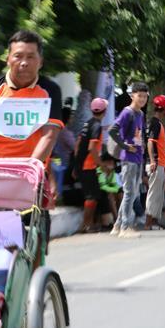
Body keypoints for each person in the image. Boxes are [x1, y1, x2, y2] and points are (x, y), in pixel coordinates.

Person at [0, 30, 63, 162]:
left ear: (41, 62)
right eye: (18, 56)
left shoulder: (51, 91)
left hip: (31, 172)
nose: (24, 62)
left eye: (30, 57)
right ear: (8, 60)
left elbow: (49, 136)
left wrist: (27, 171)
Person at [107, 82, 148, 238]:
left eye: (145, 96)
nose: (142, 99)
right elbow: (112, 130)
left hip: (138, 157)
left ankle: (117, 226)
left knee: (132, 192)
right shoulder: (127, 112)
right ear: (133, 96)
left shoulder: (141, 114)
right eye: (140, 96)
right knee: (130, 192)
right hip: (128, 158)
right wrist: (124, 145)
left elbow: (139, 135)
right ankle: (125, 227)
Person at [73, 97, 107, 233]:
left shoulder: (87, 124)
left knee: (94, 195)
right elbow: (92, 147)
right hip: (89, 166)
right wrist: (101, 164)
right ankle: (87, 225)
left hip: (82, 165)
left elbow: (77, 146)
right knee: (91, 196)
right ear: (104, 111)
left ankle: (90, 223)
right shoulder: (97, 126)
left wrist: (76, 166)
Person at [144, 95, 165, 230]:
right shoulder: (155, 123)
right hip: (157, 164)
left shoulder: (155, 123)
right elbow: (150, 142)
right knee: (153, 194)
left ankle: (154, 221)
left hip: (160, 164)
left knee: (158, 194)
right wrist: (153, 160)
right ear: (164, 109)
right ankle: (148, 223)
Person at [50, 107, 76, 202]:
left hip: (57, 161)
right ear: (68, 118)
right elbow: (75, 147)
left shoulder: (56, 130)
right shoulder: (66, 133)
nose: (73, 118)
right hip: (64, 163)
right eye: (72, 116)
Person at [97, 153, 122, 228]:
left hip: (109, 190)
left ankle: (120, 217)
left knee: (120, 194)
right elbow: (103, 186)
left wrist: (116, 189)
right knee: (110, 195)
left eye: (112, 162)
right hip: (100, 191)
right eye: (108, 162)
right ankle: (116, 218)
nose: (111, 164)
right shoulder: (99, 171)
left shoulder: (112, 172)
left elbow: (115, 184)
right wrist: (114, 189)